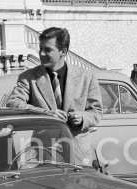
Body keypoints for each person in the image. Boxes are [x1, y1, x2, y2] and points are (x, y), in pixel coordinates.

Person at [6, 27, 102, 165]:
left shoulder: (87, 77)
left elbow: (97, 111)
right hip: (43, 151)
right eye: (40, 48)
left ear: (63, 52)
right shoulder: (28, 77)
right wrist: (46, 114)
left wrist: (82, 118)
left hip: (78, 152)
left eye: (48, 49)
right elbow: (13, 103)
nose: (41, 53)